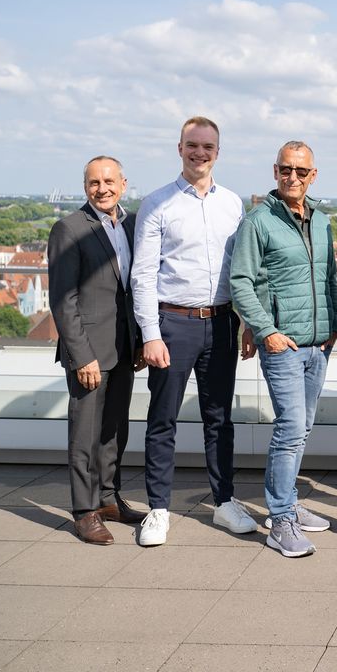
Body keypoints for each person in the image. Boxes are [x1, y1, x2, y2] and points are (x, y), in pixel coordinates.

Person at [132, 117, 253, 547]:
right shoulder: (157, 203)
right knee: (162, 419)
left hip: (221, 323)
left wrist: (247, 322)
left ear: (218, 152)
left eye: (208, 147)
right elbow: (143, 275)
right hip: (173, 325)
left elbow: (244, 270)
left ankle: (224, 503)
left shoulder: (233, 204)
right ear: (179, 148)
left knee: (220, 419)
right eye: (192, 145)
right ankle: (158, 509)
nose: (199, 153)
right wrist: (150, 334)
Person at [230, 141, 337, 558]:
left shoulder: (322, 220)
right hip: (283, 345)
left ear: (313, 175)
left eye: (300, 171)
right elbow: (240, 281)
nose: (292, 177)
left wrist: (334, 324)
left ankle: (289, 500)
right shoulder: (259, 221)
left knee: (303, 428)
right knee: (290, 428)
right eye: (284, 170)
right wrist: (265, 331)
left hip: (318, 344)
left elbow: (329, 275)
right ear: (275, 171)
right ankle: (280, 520)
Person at [48, 156, 147, 544]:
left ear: (123, 183)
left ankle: (108, 499)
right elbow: (63, 299)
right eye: (94, 183)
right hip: (89, 351)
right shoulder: (69, 229)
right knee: (84, 435)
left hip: (124, 347)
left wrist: (138, 340)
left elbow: (136, 286)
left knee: (114, 431)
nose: (102, 189)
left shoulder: (133, 223)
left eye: (109, 181)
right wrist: (80, 355)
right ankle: (84, 511)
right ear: (85, 186)